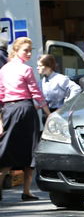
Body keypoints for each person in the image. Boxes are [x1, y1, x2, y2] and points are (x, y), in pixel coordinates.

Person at [0, 37, 51, 201]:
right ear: (16, 50)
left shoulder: (3, 70)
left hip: (9, 110)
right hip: (25, 109)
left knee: (6, 150)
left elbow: (1, 96)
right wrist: (48, 113)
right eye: (25, 50)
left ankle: (8, 190)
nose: (29, 53)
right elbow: (36, 92)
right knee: (29, 151)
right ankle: (26, 191)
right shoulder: (26, 69)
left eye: (30, 50)